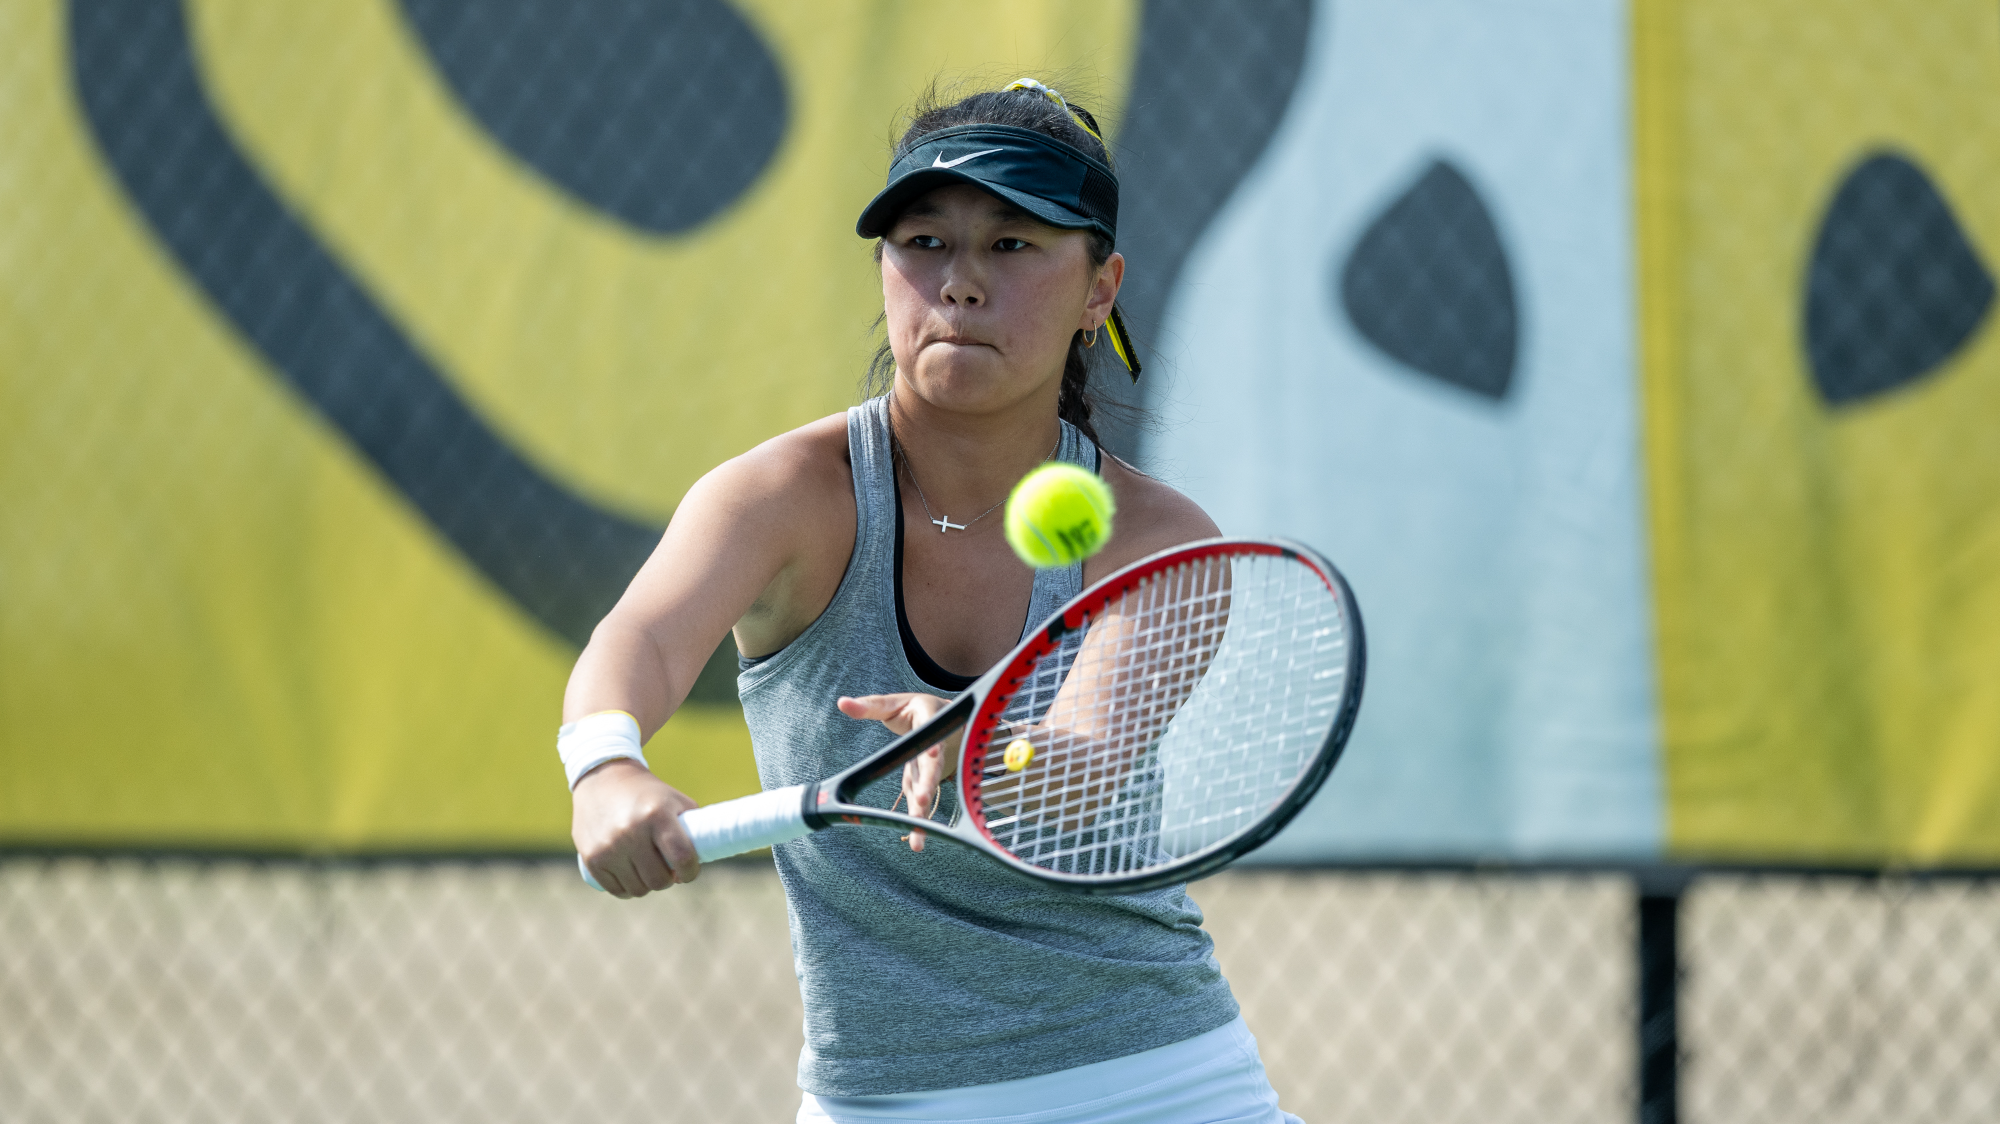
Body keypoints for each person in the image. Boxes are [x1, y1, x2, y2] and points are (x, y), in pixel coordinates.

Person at [560, 79, 1301, 1123]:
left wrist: (984, 747)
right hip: (878, 1098)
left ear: (1100, 289)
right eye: (923, 240)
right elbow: (635, 636)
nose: (958, 283)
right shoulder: (784, 497)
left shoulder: (1156, 540)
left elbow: (1079, 768)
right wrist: (604, 764)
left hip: (1156, 1082)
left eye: (1012, 245)